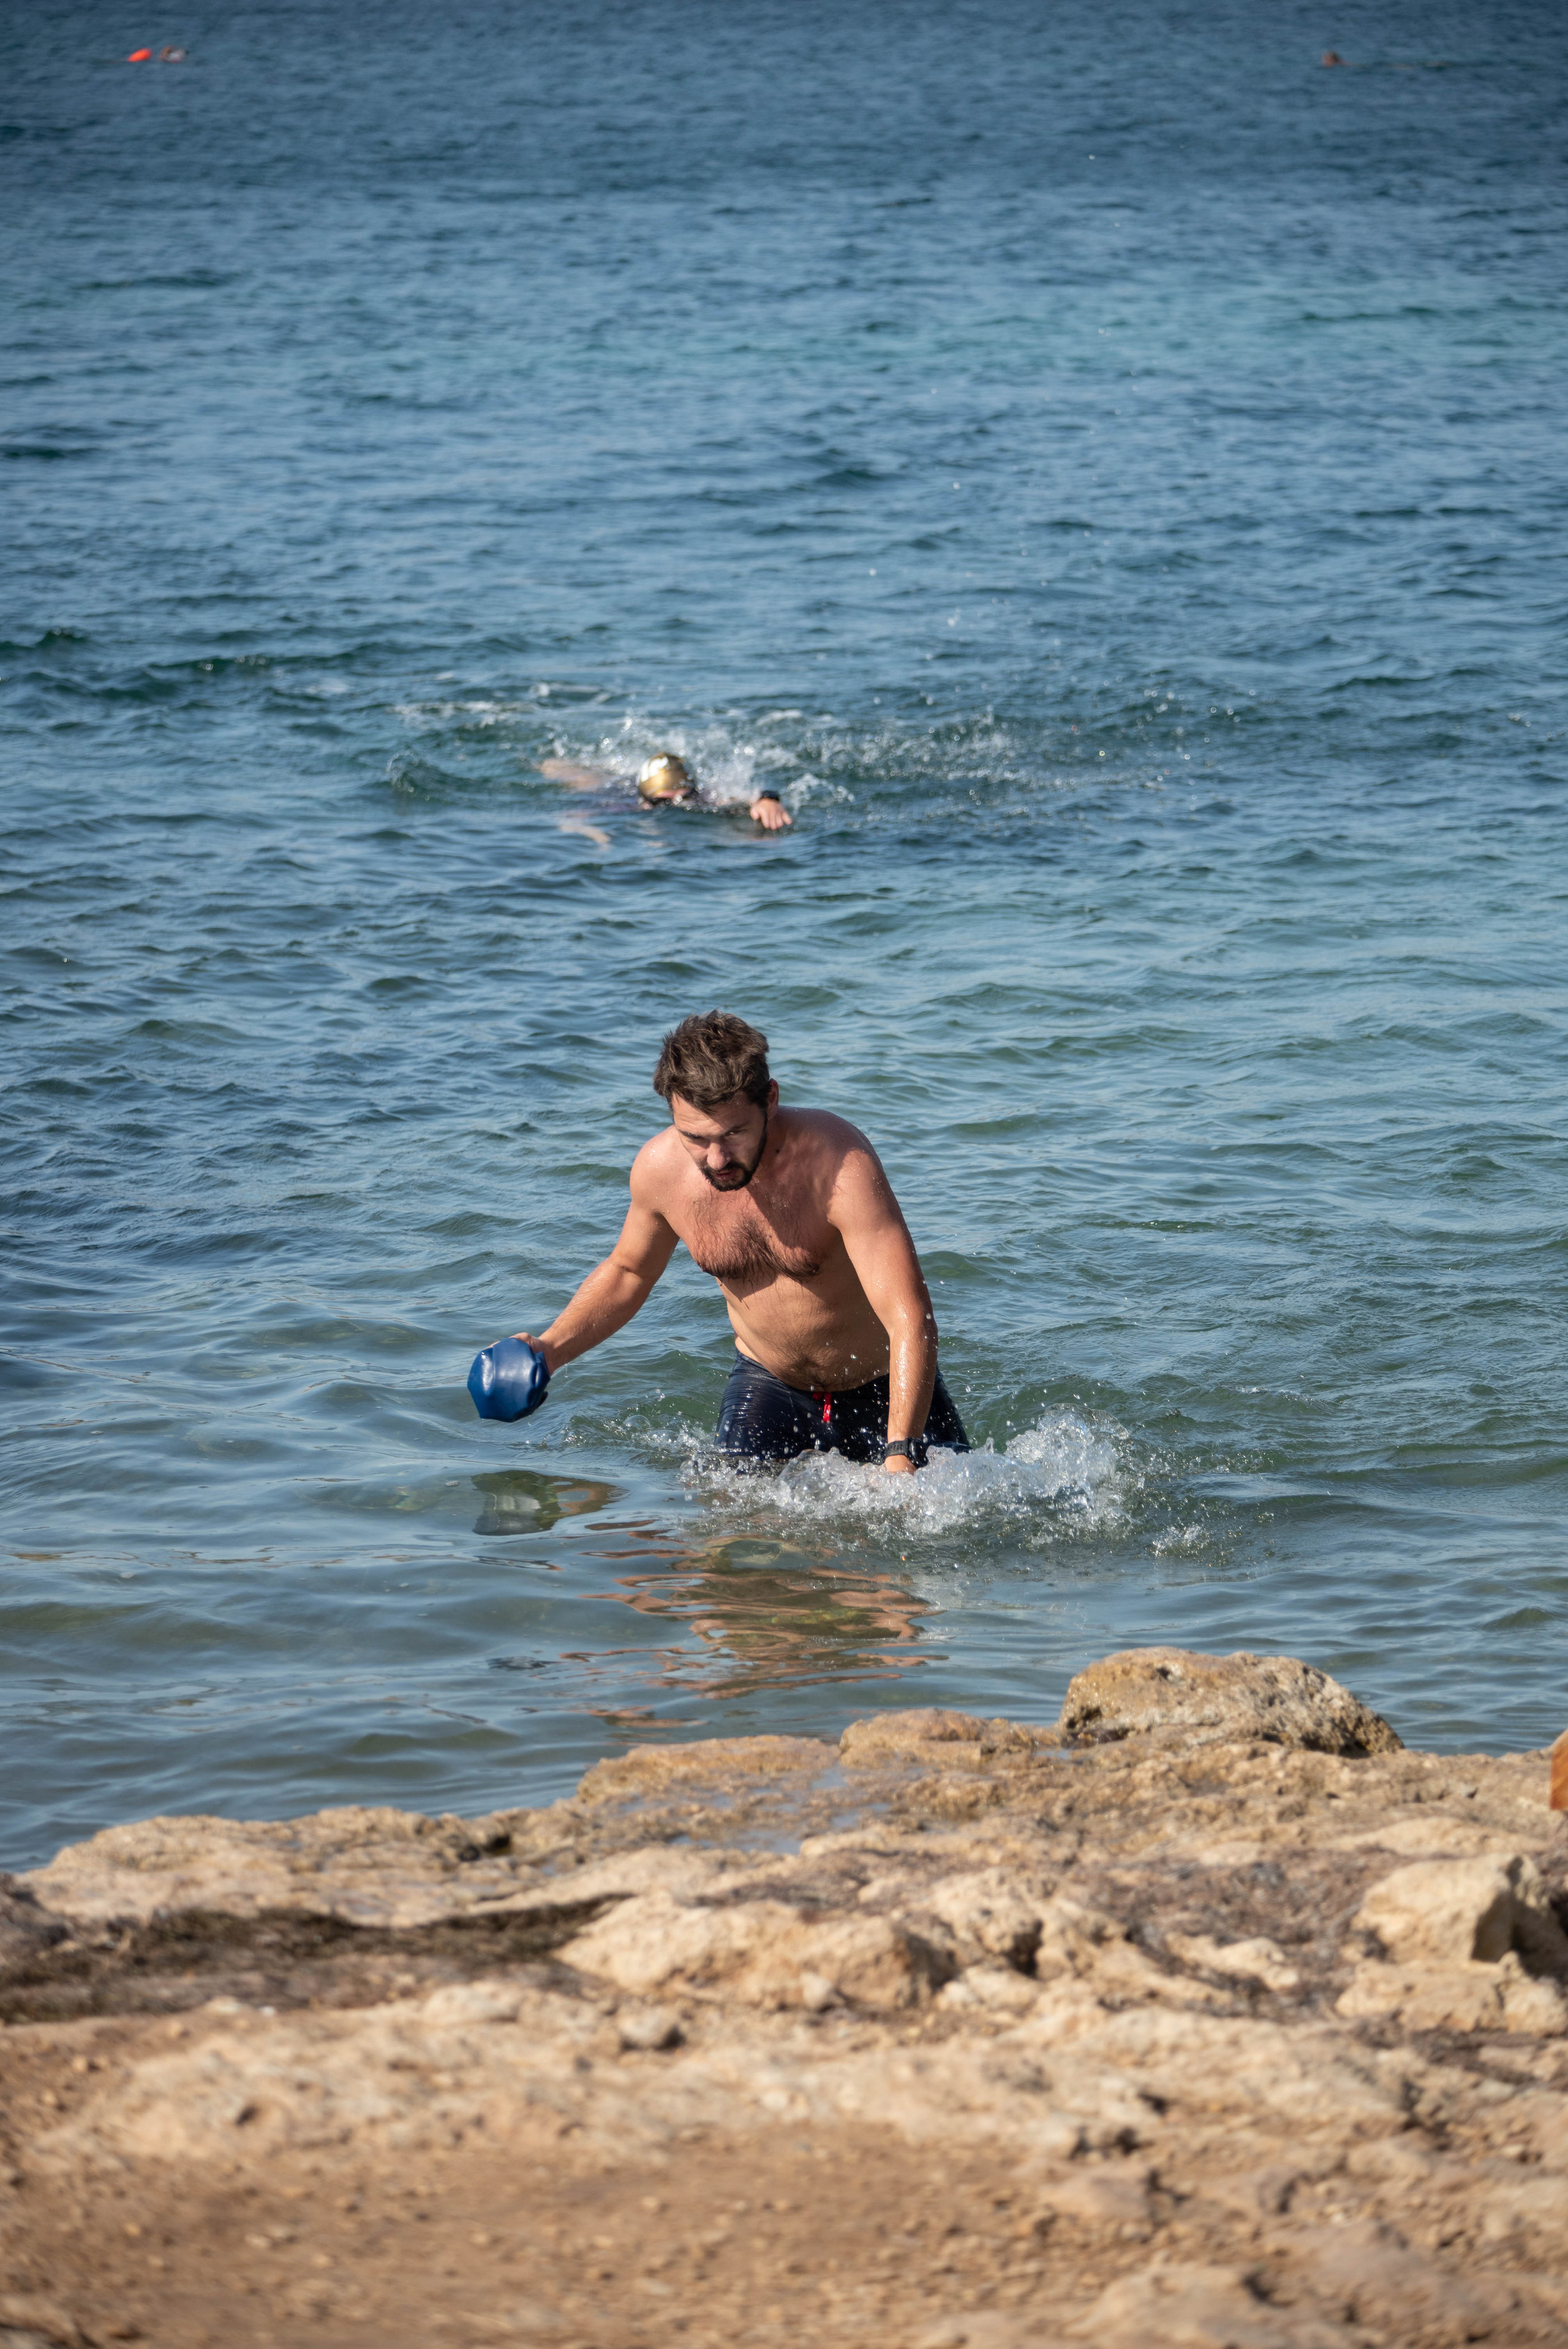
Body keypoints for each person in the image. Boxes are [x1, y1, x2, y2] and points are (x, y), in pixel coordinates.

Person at [499, 1012, 967, 1473]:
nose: (717, 1157)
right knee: (733, 1537)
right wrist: (551, 1349)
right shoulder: (660, 1172)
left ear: (771, 1099)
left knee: (943, 1534)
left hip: (884, 1386)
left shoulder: (839, 1165)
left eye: (734, 1133)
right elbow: (629, 1272)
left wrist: (900, 1450)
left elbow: (910, 1312)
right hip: (768, 1385)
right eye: (695, 1138)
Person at [540, 751, 793, 833]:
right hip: (620, 787)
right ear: (648, 801)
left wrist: (768, 800)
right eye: (663, 802)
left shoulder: (703, 799)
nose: (676, 805)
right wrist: (598, 837)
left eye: (684, 797)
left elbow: (749, 796)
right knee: (554, 767)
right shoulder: (623, 804)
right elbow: (571, 819)